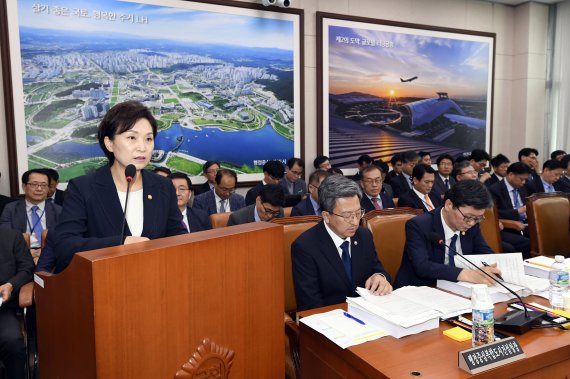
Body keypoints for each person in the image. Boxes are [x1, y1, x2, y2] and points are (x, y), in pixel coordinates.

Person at [53, 101, 187, 273]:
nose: (142, 147)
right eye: (132, 137)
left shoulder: (162, 186)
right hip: (106, 284)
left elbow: (177, 236)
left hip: (157, 282)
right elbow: (65, 247)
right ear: (109, 144)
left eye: (149, 138)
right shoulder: (83, 188)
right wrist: (121, 243)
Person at [292, 175, 392, 311]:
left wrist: (380, 277)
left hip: (367, 312)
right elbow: (310, 304)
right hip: (329, 320)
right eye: (346, 216)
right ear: (326, 216)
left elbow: (377, 269)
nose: (355, 222)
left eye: (358, 213)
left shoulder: (364, 235)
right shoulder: (305, 246)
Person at [394, 180, 501, 288]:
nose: (471, 223)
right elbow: (423, 267)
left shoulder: (472, 224)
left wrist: (491, 267)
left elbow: (484, 252)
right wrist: (465, 274)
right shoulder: (419, 225)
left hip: (458, 288)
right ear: (449, 205)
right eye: (468, 217)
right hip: (420, 288)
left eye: (478, 218)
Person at [0, 169, 62, 253]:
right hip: (20, 254)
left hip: (50, 254)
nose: (39, 189)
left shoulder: (58, 210)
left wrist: (44, 254)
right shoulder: (11, 208)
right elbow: (6, 236)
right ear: (24, 187)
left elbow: (63, 237)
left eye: (44, 185)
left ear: (48, 188)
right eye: (34, 184)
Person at [0, 229, 34, 379]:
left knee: (13, 341)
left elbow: (27, 268)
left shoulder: (12, 237)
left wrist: (10, 285)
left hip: (3, 308)